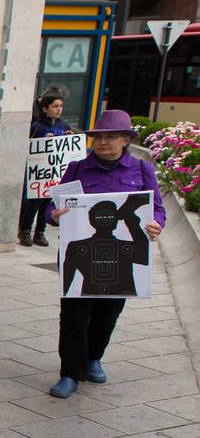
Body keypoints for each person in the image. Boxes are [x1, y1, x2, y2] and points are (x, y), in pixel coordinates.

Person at [46, 108, 165, 399]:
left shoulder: (141, 170)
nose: (103, 142)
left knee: (108, 312)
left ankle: (93, 357)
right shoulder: (77, 168)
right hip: (81, 254)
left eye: (111, 137)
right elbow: (52, 209)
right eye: (98, 137)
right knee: (74, 315)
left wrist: (156, 224)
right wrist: (56, 215)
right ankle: (70, 372)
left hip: (121, 256)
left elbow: (157, 208)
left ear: (126, 139)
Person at [20, 92, 71, 247]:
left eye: (61, 106)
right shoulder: (37, 126)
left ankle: (40, 232)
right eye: (55, 106)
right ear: (45, 109)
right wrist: (42, 141)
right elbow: (28, 145)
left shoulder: (63, 126)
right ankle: (25, 230)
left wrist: (69, 136)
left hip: (54, 173)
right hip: (39, 174)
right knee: (35, 202)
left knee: (46, 202)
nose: (58, 109)